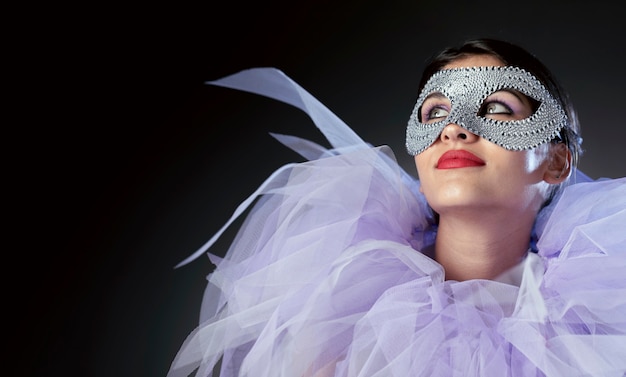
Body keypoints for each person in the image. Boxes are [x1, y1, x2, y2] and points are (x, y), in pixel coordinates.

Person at [167, 38, 626, 376]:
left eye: (498, 110)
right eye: (434, 113)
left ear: (556, 161)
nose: (455, 130)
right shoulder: (343, 311)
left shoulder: (607, 318)